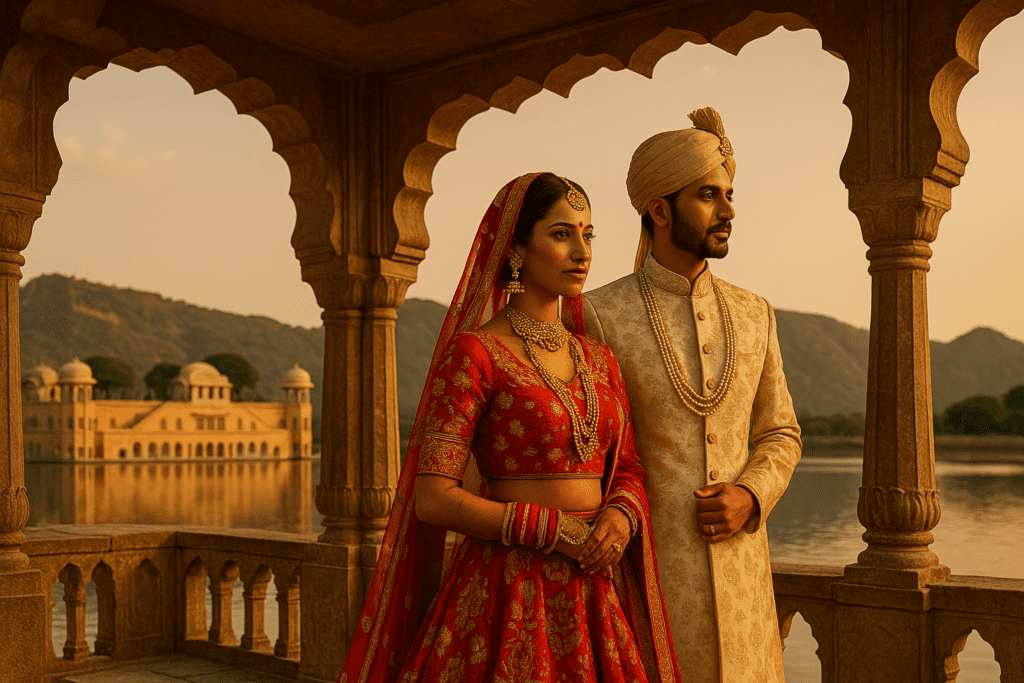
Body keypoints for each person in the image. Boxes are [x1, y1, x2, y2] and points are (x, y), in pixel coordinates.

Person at [339, 173, 680, 683]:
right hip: (506, 589)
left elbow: (627, 465)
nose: (582, 251)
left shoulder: (599, 358)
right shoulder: (475, 354)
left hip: (593, 585)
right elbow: (432, 498)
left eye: (588, 234)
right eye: (561, 234)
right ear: (516, 248)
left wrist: (622, 517)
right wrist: (549, 529)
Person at [570, 108, 802, 683]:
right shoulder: (600, 314)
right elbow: (588, 451)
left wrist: (751, 494)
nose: (727, 211)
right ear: (659, 209)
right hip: (646, 580)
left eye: (729, 194)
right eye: (708, 196)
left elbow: (781, 432)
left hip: (746, 585)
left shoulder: (755, 313)